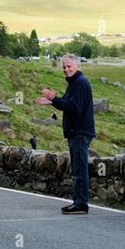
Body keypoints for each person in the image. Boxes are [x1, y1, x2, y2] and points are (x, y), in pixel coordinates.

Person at [37, 54, 95, 214]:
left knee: (79, 168)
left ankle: (81, 204)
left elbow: (74, 108)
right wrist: (53, 101)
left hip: (80, 132)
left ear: (78, 66)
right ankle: (78, 202)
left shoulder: (80, 83)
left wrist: (55, 99)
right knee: (77, 168)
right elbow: (69, 104)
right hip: (76, 132)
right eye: (64, 67)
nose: (66, 69)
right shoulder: (75, 83)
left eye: (69, 66)